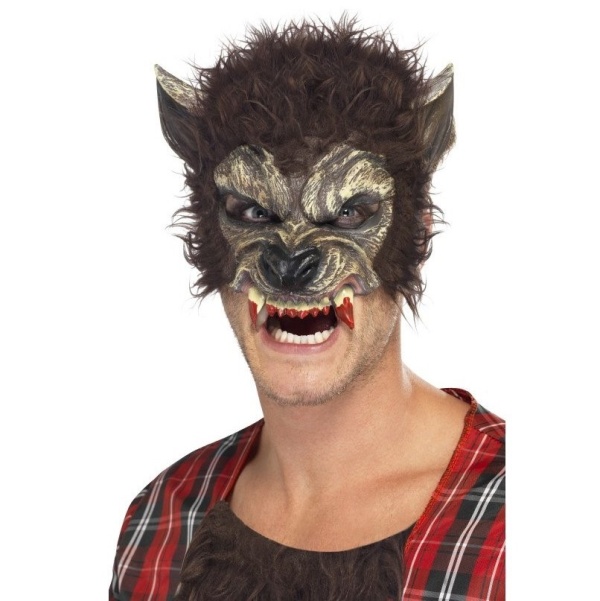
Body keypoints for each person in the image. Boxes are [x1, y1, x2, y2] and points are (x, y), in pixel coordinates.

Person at [110, 18, 505, 601]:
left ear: (417, 231)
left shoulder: (518, 524)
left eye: (349, 214)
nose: (290, 258)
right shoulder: (160, 520)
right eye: (252, 212)